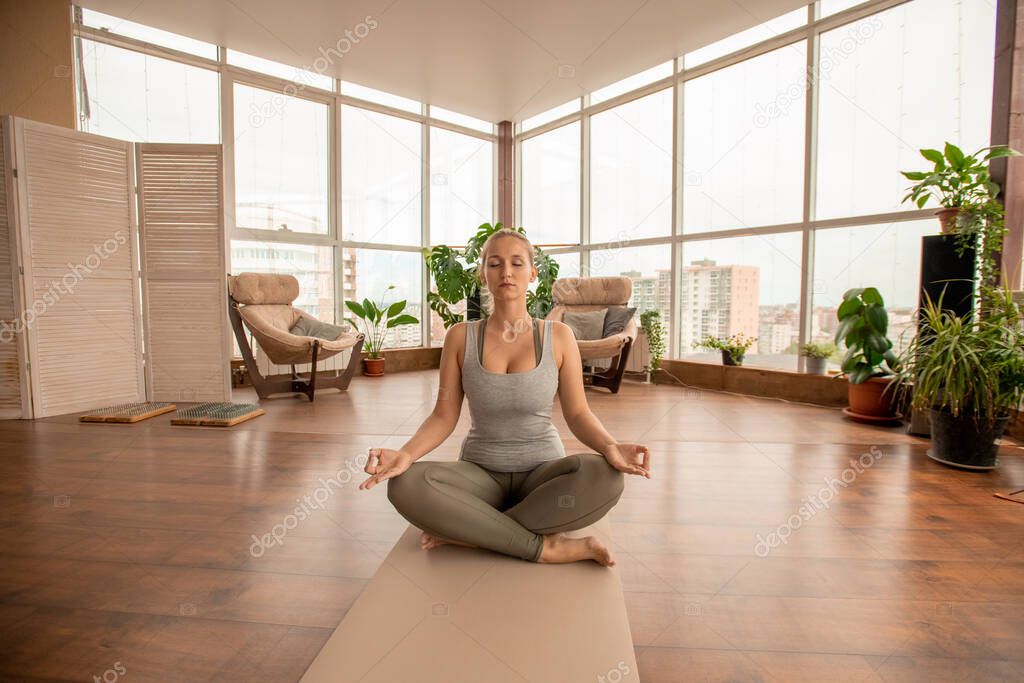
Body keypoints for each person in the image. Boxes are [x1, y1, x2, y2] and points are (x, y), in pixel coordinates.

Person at [358, 228, 652, 566]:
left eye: (517, 263)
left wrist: (610, 446)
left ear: (533, 272)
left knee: (605, 476)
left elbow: (578, 413)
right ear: (483, 274)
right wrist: (406, 455)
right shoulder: (459, 337)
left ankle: (473, 532)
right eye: (495, 264)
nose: (507, 273)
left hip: (544, 475)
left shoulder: (558, 337)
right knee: (405, 485)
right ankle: (545, 547)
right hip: (480, 476)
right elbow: (443, 415)